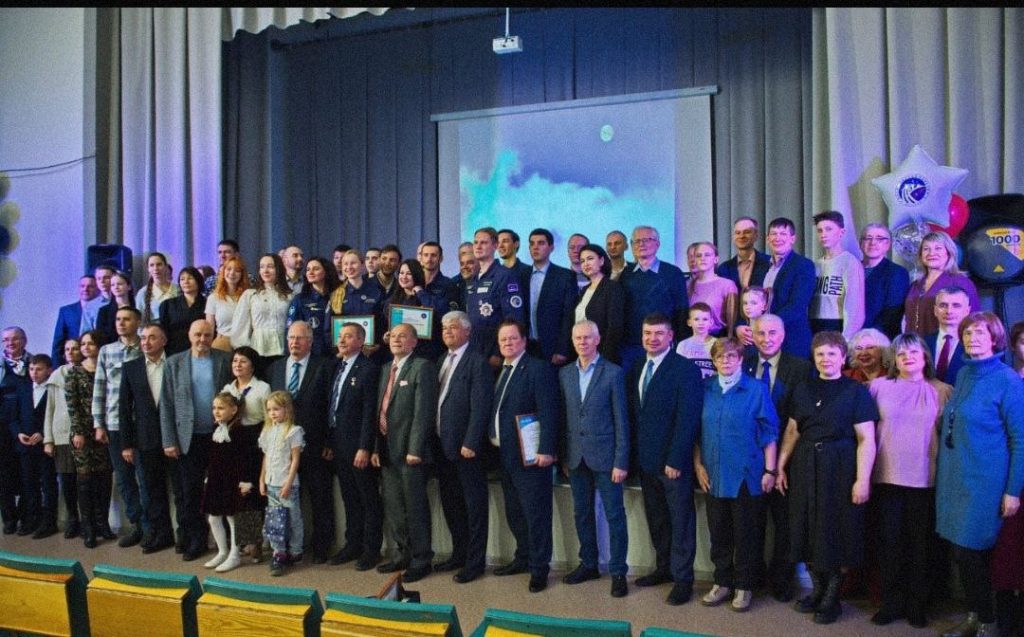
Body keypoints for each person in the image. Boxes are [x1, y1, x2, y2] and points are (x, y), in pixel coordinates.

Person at [776, 331, 878, 625]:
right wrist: (780, 466)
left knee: (833, 530)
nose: (825, 359)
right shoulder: (802, 388)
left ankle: (832, 597)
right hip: (804, 465)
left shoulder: (856, 391)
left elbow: (866, 439)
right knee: (805, 527)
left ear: (843, 357)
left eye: (832, 353)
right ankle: (818, 590)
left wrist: (862, 479)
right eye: (820, 354)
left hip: (840, 466)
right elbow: (792, 431)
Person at [935, 312, 1024, 637]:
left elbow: (1020, 439)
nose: (973, 338)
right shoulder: (964, 374)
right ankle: (976, 616)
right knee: (961, 552)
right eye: (968, 333)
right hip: (956, 478)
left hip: (986, 482)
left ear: (995, 339)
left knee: (970, 552)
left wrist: (1013, 490)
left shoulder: (1007, 380)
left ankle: (988, 622)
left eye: (980, 333)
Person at [867, 332, 951, 628]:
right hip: (886, 478)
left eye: (913, 352)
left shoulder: (942, 391)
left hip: (925, 480)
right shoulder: (878, 387)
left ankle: (917, 605)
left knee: (920, 546)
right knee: (889, 544)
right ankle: (890, 603)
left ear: (925, 356)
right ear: (894, 360)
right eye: (901, 354)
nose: (907, 358)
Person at [695, 337, 779, 612]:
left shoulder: (756, 389)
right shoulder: (705, 388)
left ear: (741, 359)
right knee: (719, 534)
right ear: (713, 361)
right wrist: (698, 466)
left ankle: (744, 586)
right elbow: (696, 432)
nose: (726, 361)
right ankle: (722, 582)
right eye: (720, 357)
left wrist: (770, 470)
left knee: (746, 535)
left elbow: (769, 433)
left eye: (731, 356)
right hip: (714, 474)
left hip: (747, 475)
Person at [628, 312, 703, 605]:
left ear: (671, 336)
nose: (652, 338)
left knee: (681, 522)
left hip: (673, 464)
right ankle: (664, 569)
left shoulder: (685, 370)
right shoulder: (637, 366)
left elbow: (688, 419)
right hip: (646, 461)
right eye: (647, 333)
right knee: (657, 519)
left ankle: (683, 580)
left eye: (659, 333)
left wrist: (676, 459)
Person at [743, 313, 814, 602]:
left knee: (785, 524)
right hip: (749, 459)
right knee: (751, 522)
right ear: (753, 335)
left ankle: (782, 580)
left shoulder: (802, 368)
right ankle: (752, 577)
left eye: (773, 333)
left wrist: (781, 463)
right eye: (760, 333)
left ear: (783, 335)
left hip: (787, 460)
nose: (767, 339)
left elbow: (801, 417)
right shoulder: (742, 363)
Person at [559, 320, 630, 598]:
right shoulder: (565, 373)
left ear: (597, 340)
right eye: (578, 338)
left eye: (588, 337)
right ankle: (588, 564)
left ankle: (618, 571)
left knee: (614, 516)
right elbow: (566, 417)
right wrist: (565, 456)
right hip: (576, 457)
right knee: (582, 513)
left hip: (607, 458)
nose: (582, 342)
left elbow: (621, 420)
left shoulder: (613, 373)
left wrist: (621, 461)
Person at [489, 320, 559, 593]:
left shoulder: (538, 369)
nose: (508, 343)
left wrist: (546, 449)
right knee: (515, 512)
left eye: (513, 338)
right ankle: (523, 557)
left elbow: (549, 411)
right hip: (505, 455)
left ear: (524, 340)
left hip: (531, 458)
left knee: (536, 515)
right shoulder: (503, 370)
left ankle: (539, 568)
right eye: (503, 340)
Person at [160, 319, 233, 562]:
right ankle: (196, 540)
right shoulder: (174, 363)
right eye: (198, 334)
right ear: (189, 335)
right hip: (187, 439)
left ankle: (228, 542)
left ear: (213, 336)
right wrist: (169, 440)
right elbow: (166, 404)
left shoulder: (224, 360)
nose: (202, 339)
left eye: (207, 335)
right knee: (190, 493)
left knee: (221, 489)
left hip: (218, 436)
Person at [371, 323, 438, 583]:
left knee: (415, 508)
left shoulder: (422, 367)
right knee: (395, 508)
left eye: (403, 336)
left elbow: (423, 412)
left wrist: (415, 449)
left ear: (414, 342)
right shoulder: (385, 369)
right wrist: (376, 448)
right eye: (393, 336)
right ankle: (402, 554)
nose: (396, 340)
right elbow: (380, 411)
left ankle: (422, 559)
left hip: (411, 453)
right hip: (387, 451)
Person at [432, 311, 492, 583]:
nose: (447, 331)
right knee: (452, 504)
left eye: (453, 327)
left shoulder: (477, 362)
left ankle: (475, 562)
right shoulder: (441, 360)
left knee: (474, 507)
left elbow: (481, 407)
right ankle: (459, 553)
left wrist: (471, 441)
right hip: (443, 446)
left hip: (467, 449)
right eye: (444, 328)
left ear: (467, 331)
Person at [269, 320, 335, 564]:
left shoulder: (324, 366)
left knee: (320, 498)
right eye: (291, 338)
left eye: (300, 338)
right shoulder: (275, 368)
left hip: (315, 444)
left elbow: (331, 406)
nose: (294, 342)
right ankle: (281, 548)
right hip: (281, 450)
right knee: (282, 502)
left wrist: (329, 441)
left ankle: (321, 547)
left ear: (310, 341)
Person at [325, 322, 383, 572]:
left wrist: (365, 447)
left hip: (358, 445)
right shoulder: (337, 367)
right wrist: (329, 442)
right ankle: (353, 544)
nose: (342, 340)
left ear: (361, 341)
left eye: (348, 336)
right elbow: (332, 406)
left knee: (368, 498)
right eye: (340, 336)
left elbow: (370, 412)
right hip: (338, 442)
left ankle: (371, 550)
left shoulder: (369, 369)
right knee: (349, 497)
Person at [117, 322, 177, 554]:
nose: (146, 342)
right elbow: (124, 408)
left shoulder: (175, 363)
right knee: (152, 490)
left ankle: (185, 535)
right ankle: (160, 534)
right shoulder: (131, 368)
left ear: (164, 341)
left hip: (175, 436)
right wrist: (126, 444)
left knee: (180, 490)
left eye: (152, 337)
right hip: (145, 438)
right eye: (143, 338)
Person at [92, 306, 146, 548]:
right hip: (114, 424)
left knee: (145, 478)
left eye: (126, 319)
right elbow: (100, 388)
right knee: (124, 480)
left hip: (141, 423)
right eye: (117, 319)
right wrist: (98, 423)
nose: (121, 323)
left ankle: (152, 526)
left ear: (138, 322)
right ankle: (137, 525)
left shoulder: (145, 347)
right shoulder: (107, 351)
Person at [65, 330, 114, 547]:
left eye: (90, 343)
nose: (86, 347)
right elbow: (72, 405)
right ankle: (88, 528)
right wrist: (78, 431)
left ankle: (103, 523)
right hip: (82, 433)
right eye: (83, 344)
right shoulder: (74, 373)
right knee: (85, 480)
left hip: (104, 430)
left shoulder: (106, 368)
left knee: (104, 477)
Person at [222, 346, 270, 563]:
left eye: (242, 361)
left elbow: (268, 418)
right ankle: (243, 539)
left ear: (252, 365)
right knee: (238, 491)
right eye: (235, 361)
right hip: (234, 441)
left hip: (255, 441)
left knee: (252, 491)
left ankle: (255, 542)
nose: (237, 365)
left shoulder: (262, 388)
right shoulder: (228, 388)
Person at [620, 225, 690, 372]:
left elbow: (682, 311)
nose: (641, 244)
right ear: (631, 245)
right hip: (631, 347)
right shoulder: (625, 274)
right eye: (637, 241)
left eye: (647, 240)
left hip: (662, 345)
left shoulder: (673, 273)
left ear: (657, 244)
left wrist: (679, 343)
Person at [202, 392, 258, 573]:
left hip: (234, 481)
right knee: (213, 517)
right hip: (217, 479)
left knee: (234, 518)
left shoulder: (240, 431)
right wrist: (209, 475)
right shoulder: (216, 429)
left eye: (221, 408)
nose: (216, 411)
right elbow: (213, 456)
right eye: (214, 408)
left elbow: (246, 459)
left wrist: (246, 481)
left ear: (233, 410)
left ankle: (235, 555)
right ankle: (222, 551)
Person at [993, 320, 1024, 636]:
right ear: (1013, 346)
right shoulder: (1006, 378)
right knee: (1008, 550)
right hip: (1010, 471)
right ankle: (1005, 620)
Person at [259, 390, 305, 576]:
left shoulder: (294, 431)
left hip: (287, 484)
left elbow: (295, 460)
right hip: (271, 483)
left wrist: (288, 483)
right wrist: (262, 479)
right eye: (269, 410)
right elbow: (266, 457)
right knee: (274, 519)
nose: (272, 413)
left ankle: (296, 550)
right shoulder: (267, 432)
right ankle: (279, 552)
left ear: (287, 409)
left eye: (276, 409)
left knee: (293, 518)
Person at [465, 227, 525, 368]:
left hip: (494, 353)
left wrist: (498, 352)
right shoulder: (473, 279)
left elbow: (513, 317)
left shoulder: (505, 275)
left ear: (495, 246)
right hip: (474, 350)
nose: (478, 246)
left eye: (484, 243)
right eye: (476, 242)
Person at [904, 230, 981, 336]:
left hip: (944, 344)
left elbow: (974, 320)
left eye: (938, 248)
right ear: (921, 255)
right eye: (926, 249)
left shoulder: (961, 282)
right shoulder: (915, 285)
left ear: (948, 253)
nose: (931, 253)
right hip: (915, 344)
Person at [43, 338, 82, 539]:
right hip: (61, 435)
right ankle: (72, 519)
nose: (71, 352)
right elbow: (49, 410)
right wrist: (48, 439)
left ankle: (89, 520)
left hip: (83, 434)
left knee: (85, 480)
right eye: (67, 349)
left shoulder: (87, 371)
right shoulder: (57, 375)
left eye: (75, 348)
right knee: (67, 481)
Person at [761, 217, 816, 358]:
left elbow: (797, 305)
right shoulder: (763, 267)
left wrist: (767, 325)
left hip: (792, 339)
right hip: (764, 341)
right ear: (767, 239)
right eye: (773, 234)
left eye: (783, 234)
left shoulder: (803, 265)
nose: (777, 238)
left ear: (792, 239)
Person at [231, 253, 293, 375]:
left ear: (278, 269)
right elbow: (240, 325)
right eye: (262, 267)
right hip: (257, 350)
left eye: (270, 266)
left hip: (283, 350)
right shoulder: (251, 294)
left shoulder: (290, 296)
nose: (265, 270)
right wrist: (245, 352)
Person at [18, 354, 58, 538]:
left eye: (39, 369)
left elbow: (56, 415)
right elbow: (14, 417)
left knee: (48, 484)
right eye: (32, 369)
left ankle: (49, 522)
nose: (34, 373)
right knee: (29, 484)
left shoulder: (53, 389)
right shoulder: (24, 389)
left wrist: (43, 434)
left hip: (45, 446)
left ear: (49, 370)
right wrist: (18, 433)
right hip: (26, 446)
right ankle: (32, 519)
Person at [809, 210, 865, 340]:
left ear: (841, 232)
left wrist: (846, 338)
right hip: (815, 324)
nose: (823, 234)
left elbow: (855, 307)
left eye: (829, 229)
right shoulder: (816, 265)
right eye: (820, 230)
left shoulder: (849, 262)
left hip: (837, 324)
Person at [524, 229, 576, 366]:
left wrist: (562, 349)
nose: (535, 247)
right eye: (532, 243)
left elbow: (568, 316)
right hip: (526, 347)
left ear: (551, 247)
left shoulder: (565, 276)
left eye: (541, 243)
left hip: (553, 349)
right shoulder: (521, 275)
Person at [381, 259, 447, 360]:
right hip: (399, 356)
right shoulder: (391, 301)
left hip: (424, 354)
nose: (404, 277)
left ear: (416, 275)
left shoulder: (428, 297)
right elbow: (387, 328)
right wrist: (387, 337)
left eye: (409, 274)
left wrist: (420, 292)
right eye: (401, 273)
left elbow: (439, 313)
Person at [325, 249, 384, 357]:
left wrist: (377, 346)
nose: (349, 267)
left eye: (353, 263)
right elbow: (328, 329)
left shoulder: (376, 292)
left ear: (362, 265)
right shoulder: (336, 295)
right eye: (345, 264)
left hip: (370, 354)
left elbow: (382, 324)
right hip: (343, 355)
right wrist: (338, 351)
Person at [573, 244, 625, 364]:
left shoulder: (612, 288)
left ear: (601, 261)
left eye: (590, 259)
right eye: (582, 261)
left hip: (603, 355)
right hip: (583, 353)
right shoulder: (584, 290)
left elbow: (615, 327)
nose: (586, 264)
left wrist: (604, 358)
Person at [859, 223, 910, 339]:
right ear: (860, 243)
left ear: (888, 245)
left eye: (880, 239)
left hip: (880, 340)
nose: (873, 243)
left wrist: (866, 337)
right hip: (848, 338)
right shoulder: (851, 268)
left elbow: (892, 314)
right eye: (868, 238)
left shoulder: (897, 272)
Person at [287, 256, 339, 358]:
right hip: (311, 354)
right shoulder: (300, 300)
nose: (310, 272)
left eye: (316, 269)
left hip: (336, 353)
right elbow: (290, 329)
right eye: (308, 269)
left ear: (326, 271)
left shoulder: (338, 296)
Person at [687, 241, 738, 337]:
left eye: (707, 255)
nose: (702, 258)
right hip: (693, 338)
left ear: (716, 259)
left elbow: (732, 322)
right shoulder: (688, 285)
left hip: (718, 339)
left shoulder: (727, 285)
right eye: (698, 255)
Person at [925, 286, 971, 386]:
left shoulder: (976, 344)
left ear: (967, 311)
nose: (949, 311)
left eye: (956, 305)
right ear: (935, 310)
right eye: (943, 305)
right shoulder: (922, 343)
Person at [51, 274, 100, 363]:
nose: (85, 289)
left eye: (90, 286)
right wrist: (56, 366)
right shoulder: (66, 311)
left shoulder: (103, 310)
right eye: (82, 286)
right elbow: (58, 341)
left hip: (96, 360)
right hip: (73, 361)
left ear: (97, 289)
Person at [160, 266, 208, 355]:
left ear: (198, 281)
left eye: (190, 278)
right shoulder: (167, 304)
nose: (186, 281)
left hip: (201, 350)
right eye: (182, 279)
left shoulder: (208, 304)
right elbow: (163, 332)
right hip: (174, 351)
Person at [205, 255, 249, 352]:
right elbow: (209, 327)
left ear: (242, 274)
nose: (232, 273)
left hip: (245, 345)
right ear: (223, 272)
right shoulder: (213, 298)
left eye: (237, 270)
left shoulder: (248, 296)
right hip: (222, 343)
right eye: (228, 269)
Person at [717, 217, 771, 293]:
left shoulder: (770, 263)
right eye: (737, 233)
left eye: (747, 232)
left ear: (756, 235)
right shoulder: (723, 269)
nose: (741, 236)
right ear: (733, 237)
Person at [675, 302, 717, 379]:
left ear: (711, 322)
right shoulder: (683, 345)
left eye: (705, 319)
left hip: (711, 385)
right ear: (689, 322)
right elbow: (678, 371)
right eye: (696, 319)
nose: (701, 323)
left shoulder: (717, 344)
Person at [135, 252, 179, 324]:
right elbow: (139, 323)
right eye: (151, 265)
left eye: (159, 264)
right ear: (148, 269)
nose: (155, 268)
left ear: (166, 267)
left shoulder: (178, 289)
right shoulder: (142, 293)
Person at [95, 270, 135, 344]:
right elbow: (100, 336)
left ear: (129, 286)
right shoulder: (104, 311)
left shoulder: (137, 307)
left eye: (119, 284)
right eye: (113, 285)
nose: (116, 287)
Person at [418, 241, 455, 311]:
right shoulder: (414, 282)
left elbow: (447, 311)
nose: (429, 259)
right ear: (421, 258)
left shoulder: (449, 284)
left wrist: (420, 293)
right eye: (426, 255)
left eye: (433, 255)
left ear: (441, 259)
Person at [497, 229, 532, 296]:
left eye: (505, 241)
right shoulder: (495, 274)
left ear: (516, 244)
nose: (500, 246)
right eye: (498, 242)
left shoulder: (529, 272)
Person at [735, 286, 768, 351]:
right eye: (745, 303)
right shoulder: (741, 328)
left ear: (765, 306)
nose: (748, 307)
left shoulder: (768, 330)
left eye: (753, 303)